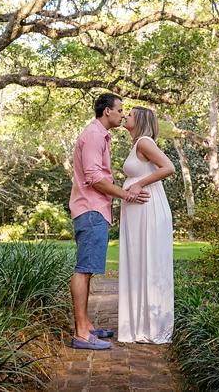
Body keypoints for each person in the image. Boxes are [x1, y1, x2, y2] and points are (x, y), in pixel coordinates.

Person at [69, 93, 151, 350]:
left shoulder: (99, 135)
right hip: (91, 209)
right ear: (107, 112)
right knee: (84, 269)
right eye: (120, 110)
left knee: (88, 268)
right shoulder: (94, 135)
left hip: (94, 210)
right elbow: (94, 176)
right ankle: (81, 333)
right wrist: (126, 194)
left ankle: (87, 325)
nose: (123, 114)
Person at [118, 106, 176, 344]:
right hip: (138, 211)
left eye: (128, 114)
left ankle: (154, 327)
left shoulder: (144, 141)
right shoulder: (138, 144)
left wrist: (139, 184)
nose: (124, 116)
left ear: (139, 120)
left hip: (148, 208)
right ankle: (139, 325)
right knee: (139, 261)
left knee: (149, 260)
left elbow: (169, 167)